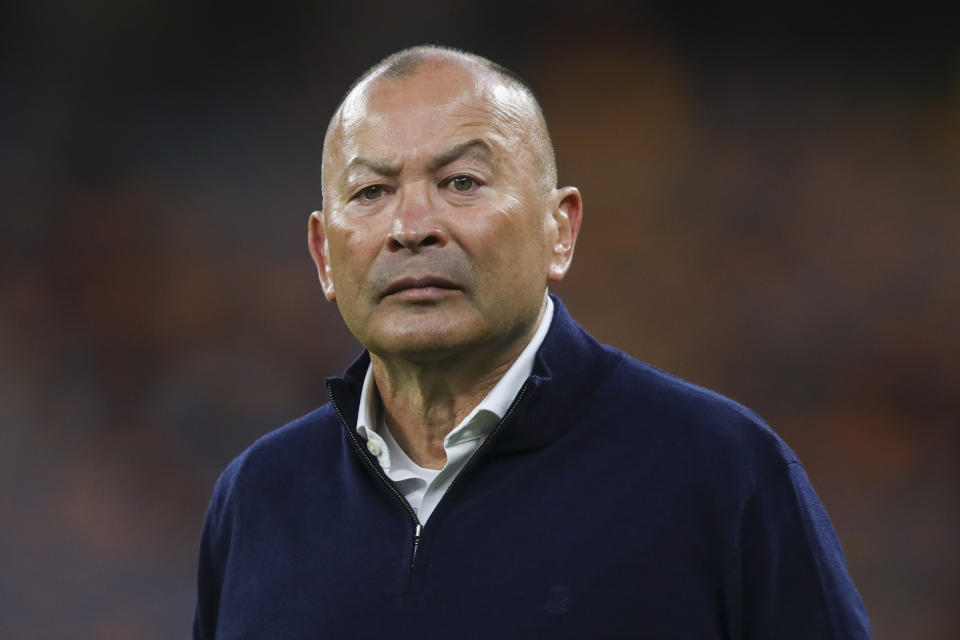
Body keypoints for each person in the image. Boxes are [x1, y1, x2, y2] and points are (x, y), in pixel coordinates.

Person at [194, 45, 871, 639]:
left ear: (560, 230)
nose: (412, 225)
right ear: (322, 254)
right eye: (371, 191)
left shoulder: (721, 470)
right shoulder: (257, 499)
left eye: (461, 182)